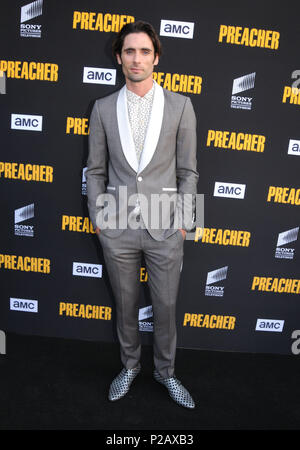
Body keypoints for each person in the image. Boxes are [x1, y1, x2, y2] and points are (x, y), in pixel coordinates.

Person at [85, 20, 199, 409]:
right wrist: (101, 222)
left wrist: (185, 223)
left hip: (165, 226)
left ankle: (166, 373)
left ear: (156, 58)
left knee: (166, 307)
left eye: (145, 51)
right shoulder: (101, 109)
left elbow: (188, 172)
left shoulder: (181, 106)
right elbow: (95, 171)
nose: (137, 58)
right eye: (130, 51)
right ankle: (130, 366)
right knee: (125, 303)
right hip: (117, 227)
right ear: (119, 58)